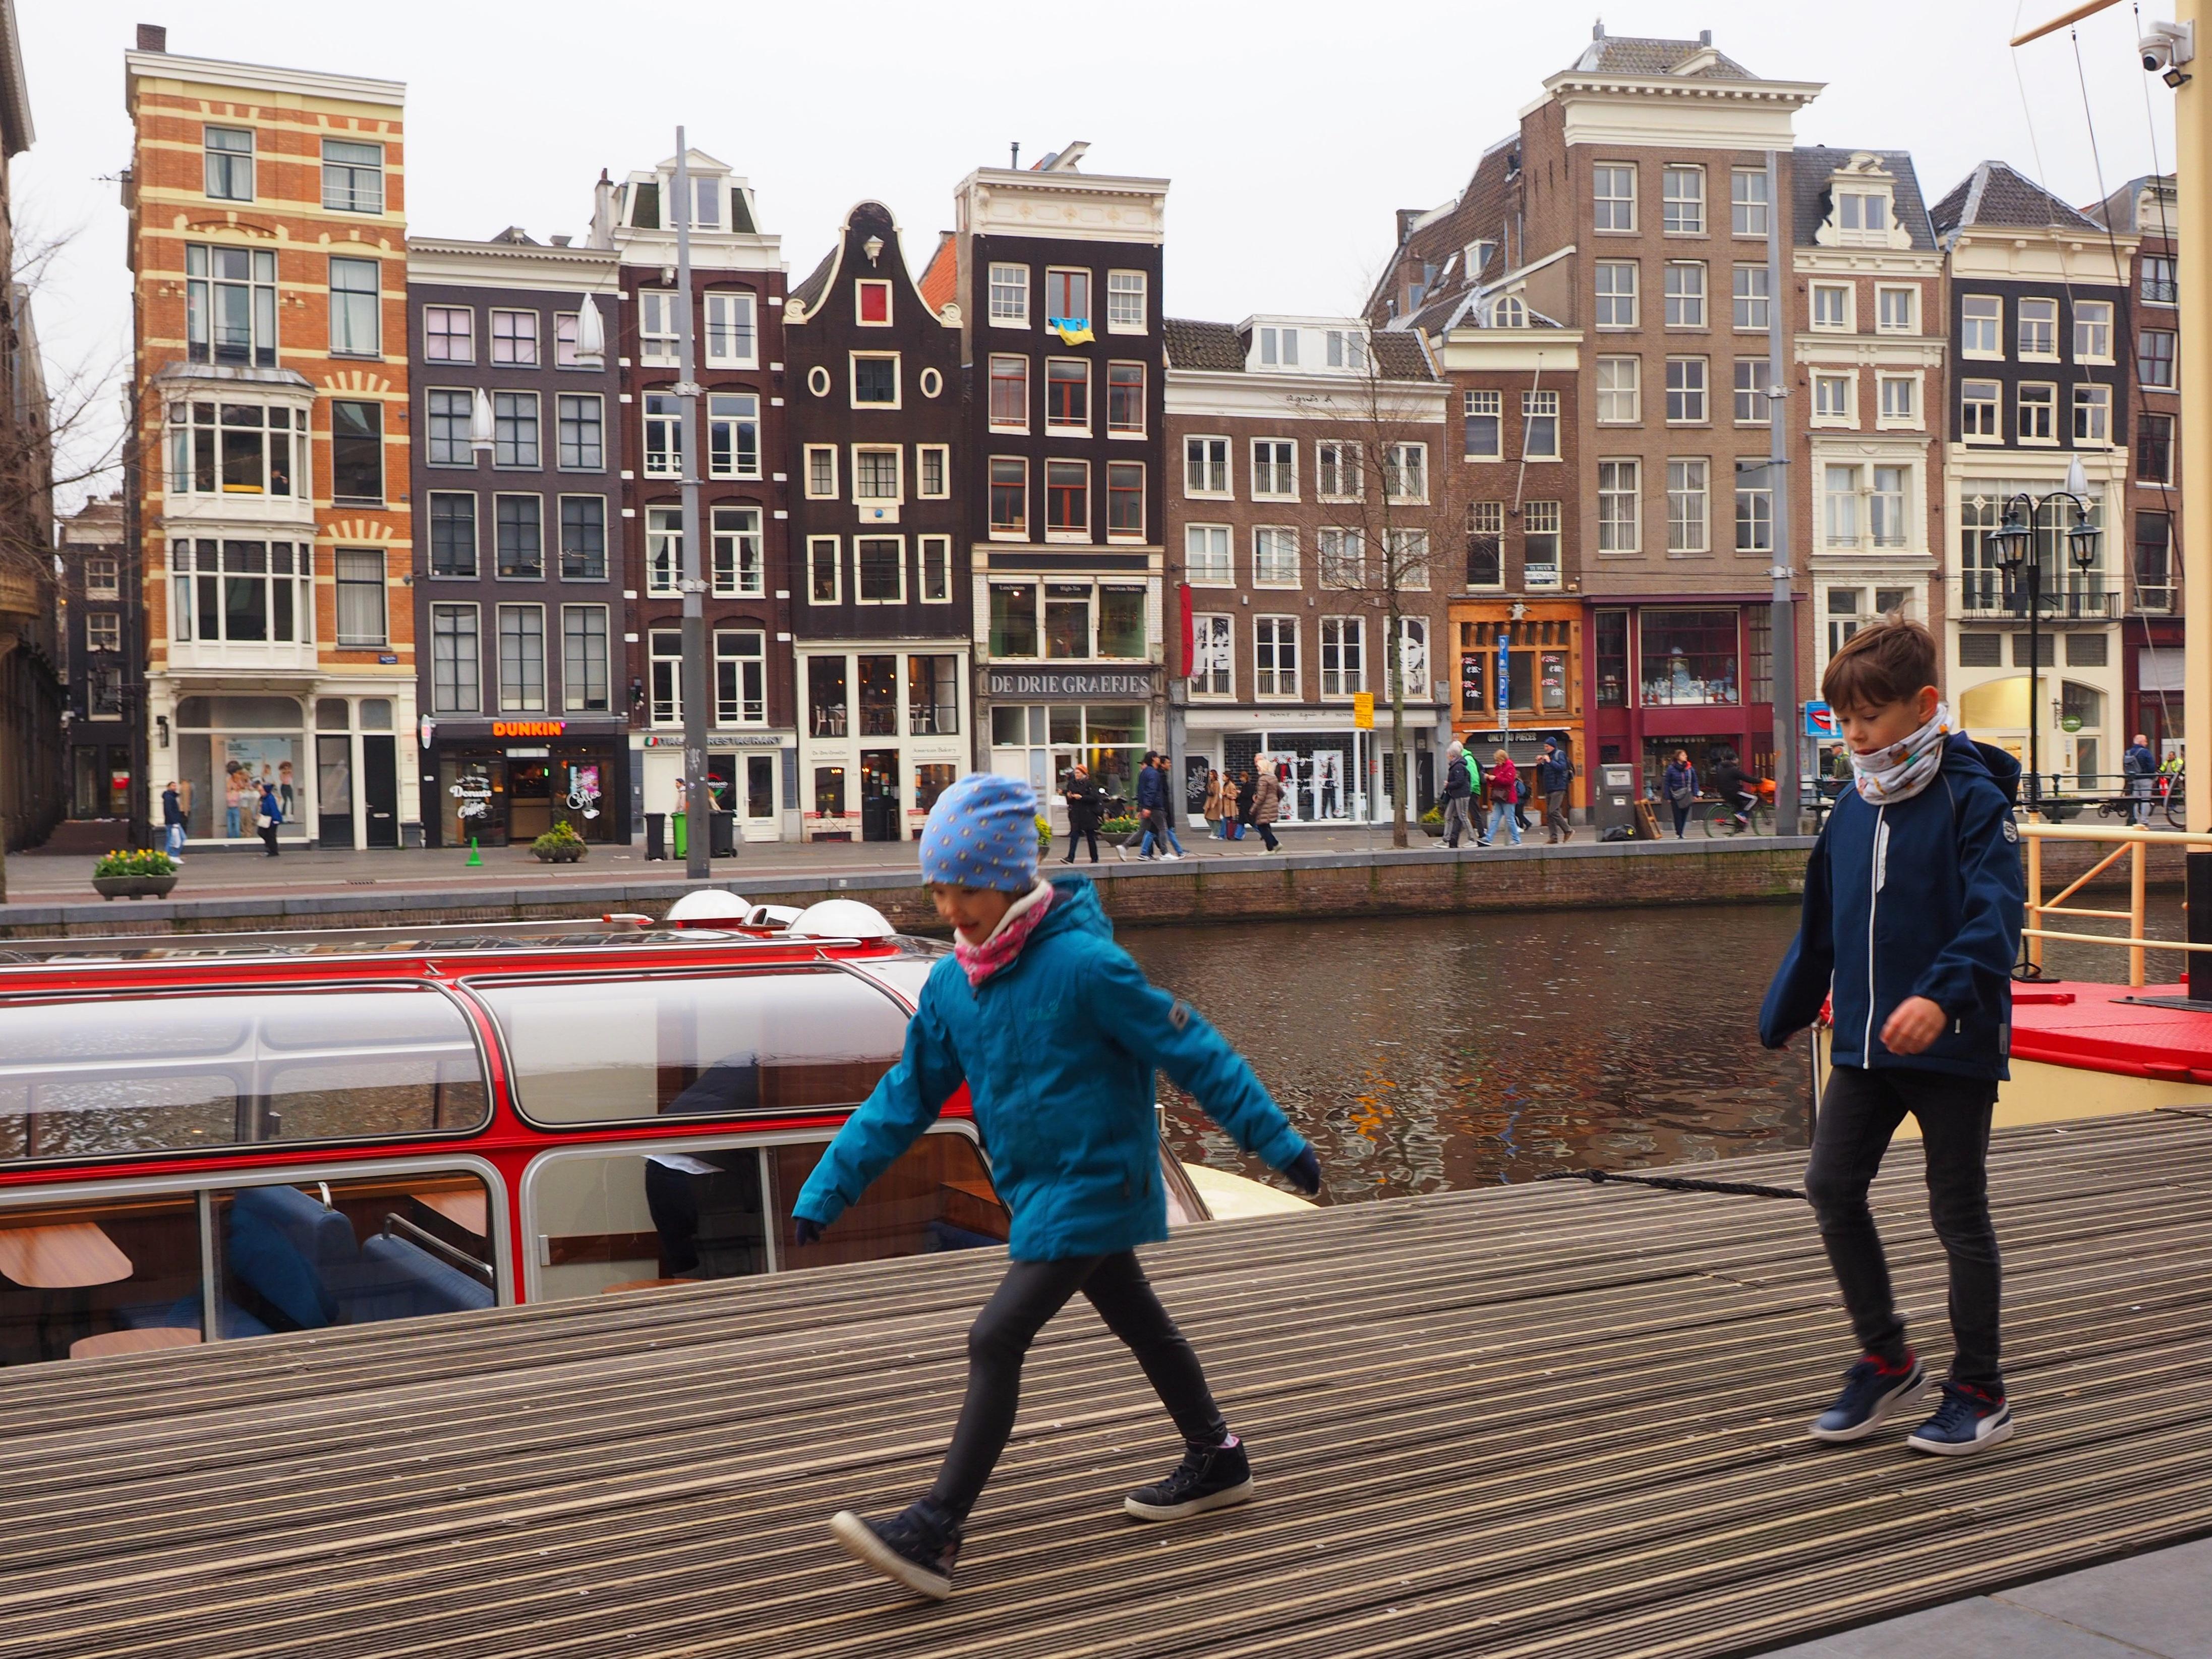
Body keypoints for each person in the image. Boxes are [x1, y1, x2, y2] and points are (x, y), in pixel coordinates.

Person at [797, 773, 1322, 1601]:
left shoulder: (1085, 966)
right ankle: (1217, 1455)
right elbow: (905, 1096)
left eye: (966, 888)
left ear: (1010, 878)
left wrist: (1278, 1141)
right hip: (1037, 1190)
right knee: (1140, 1320)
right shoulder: (953, 984)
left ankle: (935, 1527)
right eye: (938, 890)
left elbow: (1193, 1049)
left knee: (995, 1336)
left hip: (1099, 1181)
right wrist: (828, 1187)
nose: (951, 907)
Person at [1760, 619, 2024, 1457]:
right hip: (1866, 1044)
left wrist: (1940, 999)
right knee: (1830, 1185)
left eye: (1870, 716)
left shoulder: (1972, 799)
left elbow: (1995, 916)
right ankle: (1887, 1358)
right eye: (1844, 719)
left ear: (1924, 704)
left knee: (1957, 1212)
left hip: (1950, 1041)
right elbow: (1821, 927)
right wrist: (1785, 1009)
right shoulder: (1851, 807)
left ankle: (1979, 1390)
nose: (1855, 733)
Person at [1060, 763, 1103, 865]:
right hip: (1076, 813)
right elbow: (1070, 801)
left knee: (1090, 836)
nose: (1076, 775)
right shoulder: (1072, 784)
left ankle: (1094, 858)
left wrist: (1082, 797)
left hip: (1088, 814)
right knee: (1074, 835)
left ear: (1084, 774)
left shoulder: (1089, 784)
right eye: (1075, 773)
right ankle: (1070, 858)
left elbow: (1095, 798)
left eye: (1078, 773)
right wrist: (1069, 797)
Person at [1537, 738, 1574, 844]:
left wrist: (1550, 761)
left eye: (1547, 746)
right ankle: (1554, 837)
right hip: (1549, 788)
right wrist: (1540, 764)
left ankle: (1568, 830)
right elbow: (1542, 773)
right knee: (1549, 814)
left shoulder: (1559, 754)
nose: (1545, 748)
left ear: (1553, 746)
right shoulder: (1548, 757)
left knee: (1553, 811)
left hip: (1559, 787)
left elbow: (1562, 768)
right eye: (1545, 746)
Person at [1439, 742, 1476, 848]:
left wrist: (1448, 785)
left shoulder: (1458, 766)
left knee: (1463, 816)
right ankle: (1446, 840)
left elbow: (1460, 781)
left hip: (1461, 795)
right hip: (1455, 795)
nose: (1447, 756)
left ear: (1452, 755)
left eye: (1448, 754)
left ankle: (1472, 839)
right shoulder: (1456, 765)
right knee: (1448, 816)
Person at [1713, 746, 1754, 831]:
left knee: (1740, 805)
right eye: (1737, 759)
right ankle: (1742, 815)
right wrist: (1759, 781)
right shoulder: (1733, 770)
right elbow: (1746, 778)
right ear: (1734, 760)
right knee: (1754, 798)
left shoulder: (1721, 769)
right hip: (1734, 793)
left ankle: (1739, 826)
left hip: (1724, 793)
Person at [1486, 749, 1521, 846]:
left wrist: (1496, 778)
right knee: (1495, 818)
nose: (1496, 762)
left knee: (1510, 819)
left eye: (1497, 760)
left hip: (1508, 797)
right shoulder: (1498, 768)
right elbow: (1496, 782)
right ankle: (1489, 839)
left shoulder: (1510, 767)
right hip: (1499, 797)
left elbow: (1509, 781)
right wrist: (1489, 779)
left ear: (1502, 759)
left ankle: (1517, 840)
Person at [1662, 750, 1698, 839]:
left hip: (1687, 794)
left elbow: (1695, 781)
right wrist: (1668, 796)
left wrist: (1695, 793)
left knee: (1685, 814)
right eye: (1683, 755)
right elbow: (1667, 783)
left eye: (1686, 755)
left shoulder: (1690, 768)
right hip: (1675, 794)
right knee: (1677, 814)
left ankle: (1681, 832)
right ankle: (1679, 832)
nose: (1686, 757)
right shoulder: (1671, 769)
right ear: (1677, 757)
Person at [2124, 732, 2158, 826]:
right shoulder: (2145, 752)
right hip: (2145, 778)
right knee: (2145, 800)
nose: (2146, 743)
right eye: (2145, 741)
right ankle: (2144, 820)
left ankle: (2134, 818)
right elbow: (2151, 766)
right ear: (2141, 742)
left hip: (2134, 779)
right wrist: (2152, 776)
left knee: (2135, 800)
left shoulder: (2128, 752)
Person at [1247, 763, 1282, 852]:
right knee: (1265, 826)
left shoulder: (1263, 779)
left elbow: (1261, 797)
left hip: (1264, 806)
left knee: (1262, 827)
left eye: (1259, 767)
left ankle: (1271, 848)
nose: (1258, 768)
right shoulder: (1273, 778)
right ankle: (1274, 844)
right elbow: (1281, 792)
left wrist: (1253, 809)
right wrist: (1275, 801)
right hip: (1271, 805)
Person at [160, 781, 188, 862]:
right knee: (181, 838)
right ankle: (173, 855)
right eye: (173, 786)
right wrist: (174, 822)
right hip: (173, 823)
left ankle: (167, 856)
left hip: (173, 822)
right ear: (168, 787)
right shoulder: (169, 797)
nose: (175, 787)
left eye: (175, 786)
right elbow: (168, 811)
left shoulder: (171, 797)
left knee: (171, 839)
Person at [256, 779, 283, 856]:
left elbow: (273, 809)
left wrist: (275, 820)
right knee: (263, 833)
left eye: (261, 791)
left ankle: (273, 850)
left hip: (272, 819)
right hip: (266, 819)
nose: (260, 792)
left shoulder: (270, 798)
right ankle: (271, 847)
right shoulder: (264, 798)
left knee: (271, 835)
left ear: (266, 791)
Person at [1203, 769, 1227, 839]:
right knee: (1207, 816)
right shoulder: (1210, 783)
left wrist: (1214, 803)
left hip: (1215, 802)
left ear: (1214, 775)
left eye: (1211, 774)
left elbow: (1216, 794)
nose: (1210, 776)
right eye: (1210, 774)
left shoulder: (1217, 783)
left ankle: (1217, 833)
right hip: (1209, 800)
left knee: (1215, 818)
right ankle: (1215, 831)